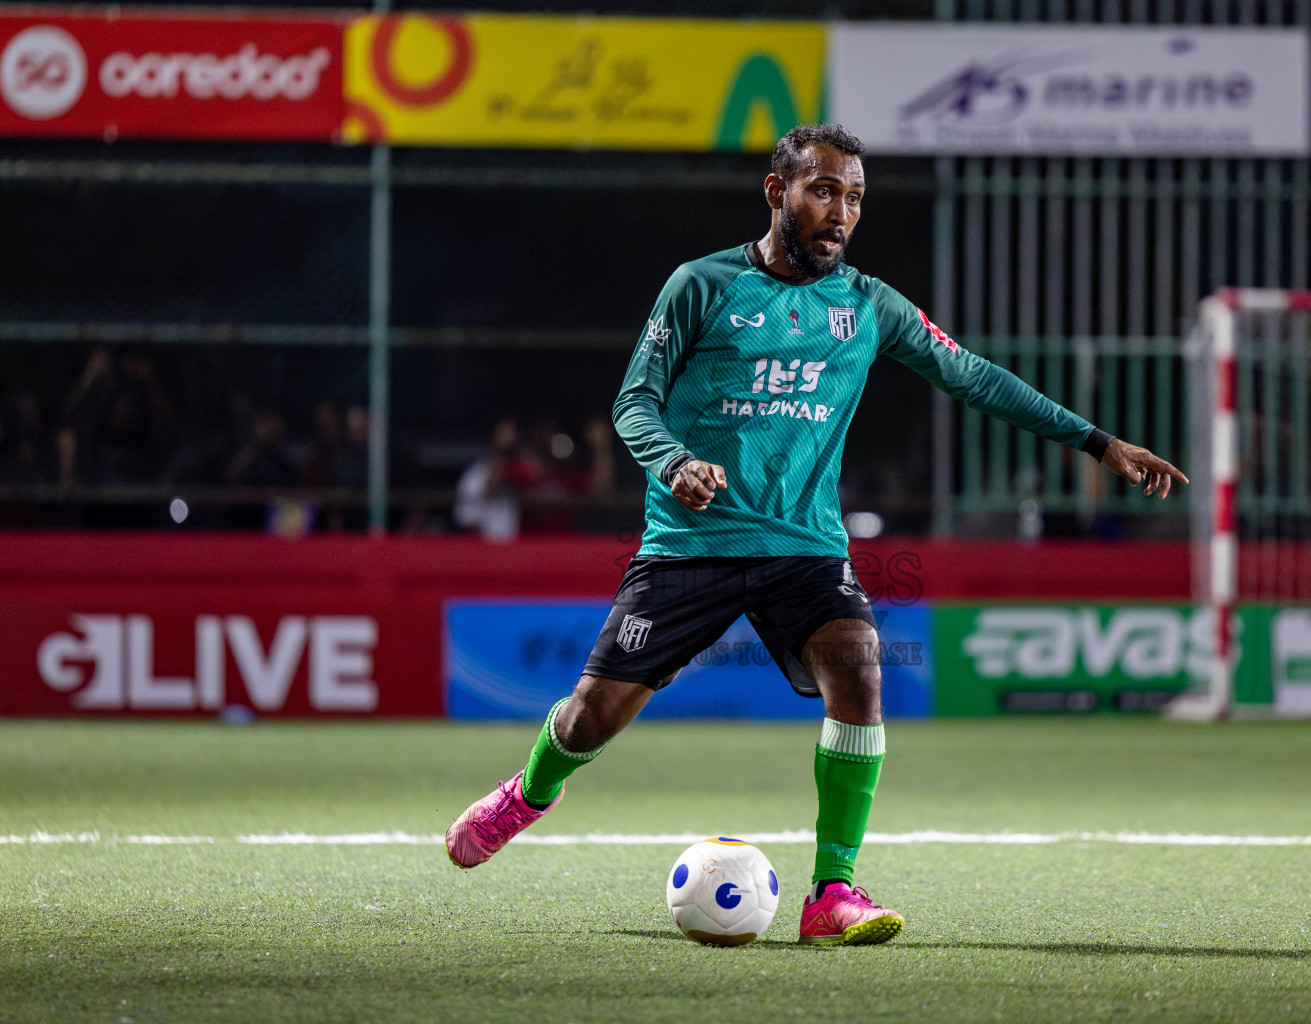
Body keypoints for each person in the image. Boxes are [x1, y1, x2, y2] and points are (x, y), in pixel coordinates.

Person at [444, 124, 1186, 946]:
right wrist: (674, 460)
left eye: (856, 197)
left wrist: (1098, 442)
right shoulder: (701, 284)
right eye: (824, 190)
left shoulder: (868, 306)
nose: (841, 212)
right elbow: (633, 402)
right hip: (691, 546)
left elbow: (972, 376)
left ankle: (831, 893)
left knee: (860, 671)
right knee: (591, 717)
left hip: (805, 548)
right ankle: (526, 795)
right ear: (778, 192)